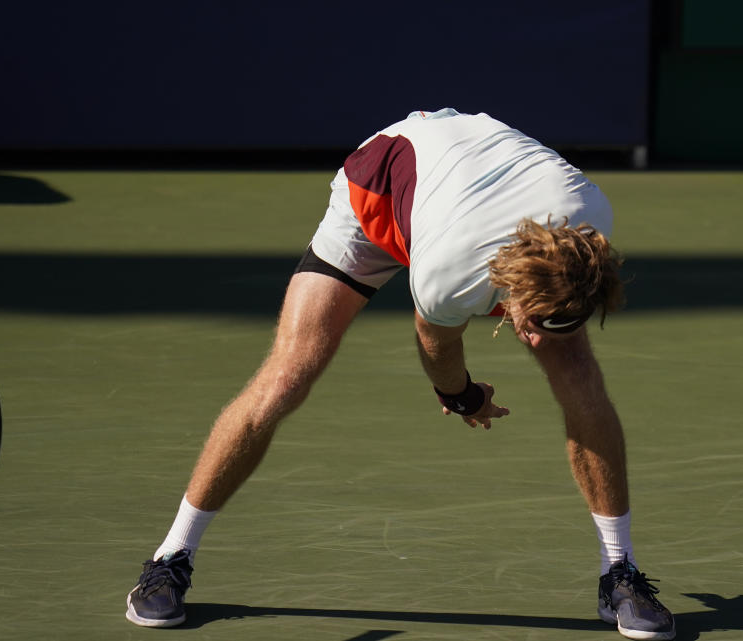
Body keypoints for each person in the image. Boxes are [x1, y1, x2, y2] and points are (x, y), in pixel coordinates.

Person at [125, 108, 676, 641]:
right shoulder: (448, 276)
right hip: (383, 188)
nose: (532, 340)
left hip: (469, 178)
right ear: (509, 292)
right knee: (287, 376)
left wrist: (554, 327)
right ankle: (172, 556)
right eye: (530, 325)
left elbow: (554, 316)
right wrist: (462, 396)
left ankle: (620, 572)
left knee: (580, 376)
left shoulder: (589, 231)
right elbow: (437, 350)